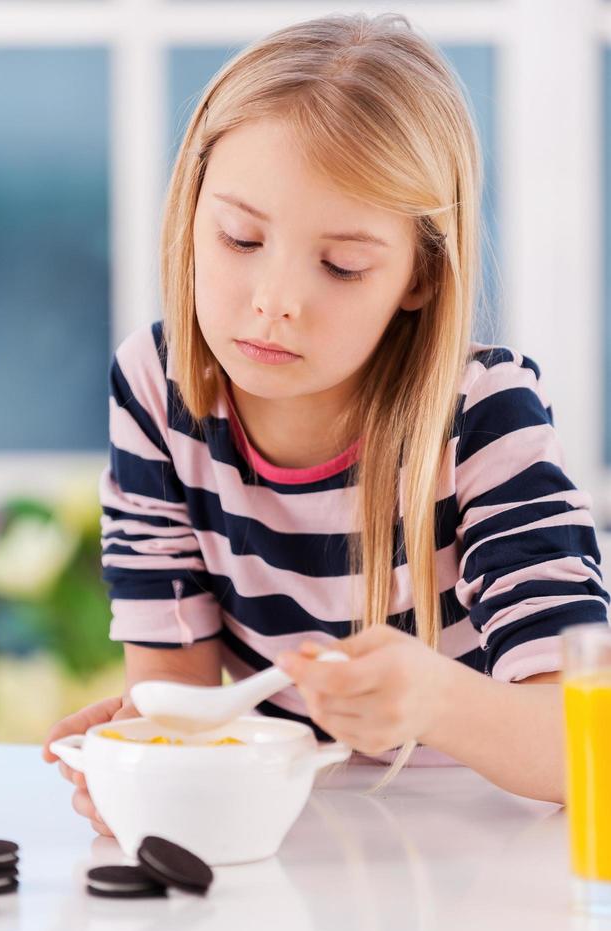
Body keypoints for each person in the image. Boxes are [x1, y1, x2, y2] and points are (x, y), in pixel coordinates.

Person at [42, 11, 610, 835]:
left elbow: (585, 749)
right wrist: (153, 763)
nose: (277, 300)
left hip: (477, 846)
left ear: (419, 276)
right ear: (192, 212)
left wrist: (436, 699)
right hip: (288, 839)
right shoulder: (156, 389)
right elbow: (184, 700)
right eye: (240, 238)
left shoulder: (482, 418)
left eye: (342, 264)